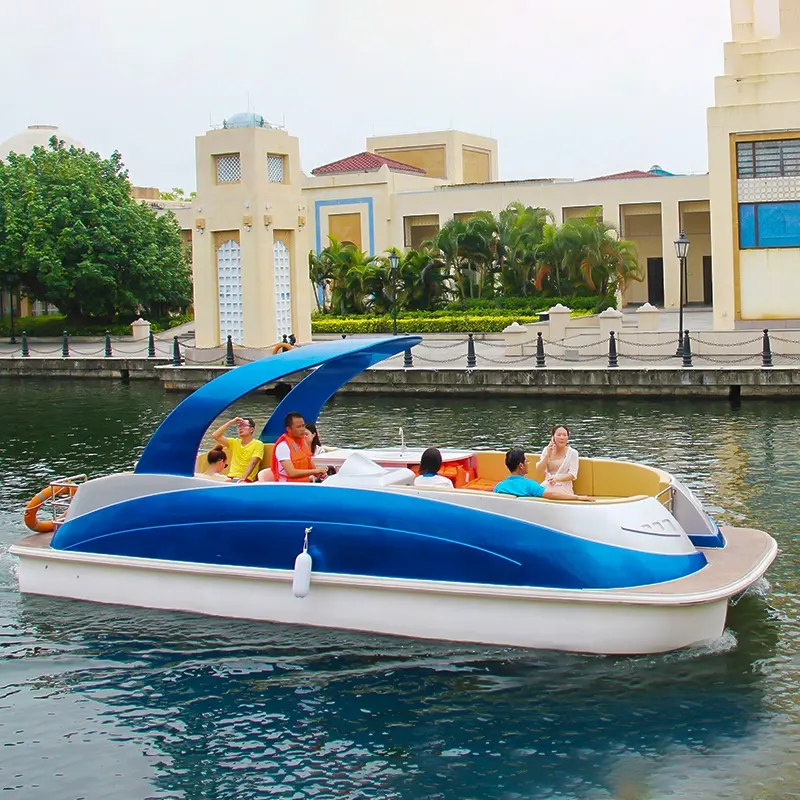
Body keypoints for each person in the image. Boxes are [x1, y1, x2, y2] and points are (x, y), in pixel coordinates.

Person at [494, 448, 594, 501]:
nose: (528, 463)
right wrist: (577, 497)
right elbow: (552, 494)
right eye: (526, 461)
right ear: (521, 465)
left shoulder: (499, 487)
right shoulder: (530, 486)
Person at [271, 412, 328, 483]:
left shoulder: (303, 443)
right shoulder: (283, 446)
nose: (302, 429)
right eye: (298, 427)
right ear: (289, 429)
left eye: (303, 426)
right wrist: (316, 471)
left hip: (304, 484)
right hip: (287, 486)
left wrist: (322, 473)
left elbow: (312, 466)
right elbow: (291, 473)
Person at [211, 416, 265, 482]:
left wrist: (242, 478)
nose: (240, 428)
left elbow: (253, 463)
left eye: (244, 426)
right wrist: (230, 422)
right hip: (230, 477)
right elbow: (215, 435)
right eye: (239, 426)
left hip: (245, 479)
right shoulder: (234, 442)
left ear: (252, 429)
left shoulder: (258, 444)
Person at [536, 424, 580, 495]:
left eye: (565, 435)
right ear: (553, 437)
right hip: (548, 484)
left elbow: (572, 474)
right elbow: (539, 471)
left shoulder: (573, 453)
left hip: (564, 486)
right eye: (559, 435)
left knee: (542, 490)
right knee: (540, 489)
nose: (562, 438)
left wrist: (557, 479)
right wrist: (547, 455)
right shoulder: (546, 450)